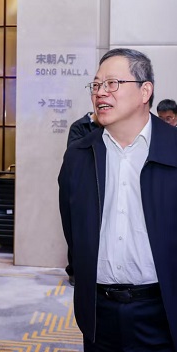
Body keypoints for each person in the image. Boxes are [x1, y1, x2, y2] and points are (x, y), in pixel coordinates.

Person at [58, 48, 177, 352]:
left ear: (145, 91)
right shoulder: (79, 155)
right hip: (101, 316)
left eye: (112, 83)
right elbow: (73, 229)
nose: (100, 92)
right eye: (96, 85)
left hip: (165, 315)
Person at [62, 110, 101, 287]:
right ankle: (75, 271)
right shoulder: (79, 126)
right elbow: (75, 154)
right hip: (81, 186)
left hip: (101, 185)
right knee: (78, 231)